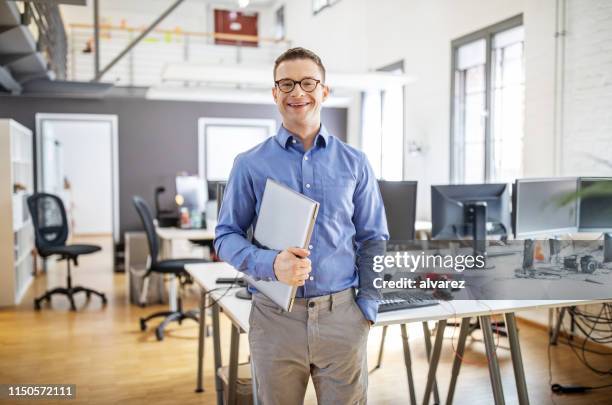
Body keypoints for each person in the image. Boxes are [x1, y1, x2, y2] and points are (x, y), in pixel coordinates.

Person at [214, 47, 389, 405]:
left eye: (308, 82)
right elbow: (225, 237)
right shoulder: (249, 164)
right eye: (287, 84)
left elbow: (374, 238)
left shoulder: (355, 162)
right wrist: (271, 264)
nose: (298, 92)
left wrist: (367, 306)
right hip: (274, 320)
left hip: (342, 317)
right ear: (275, 93)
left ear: (325, 90)